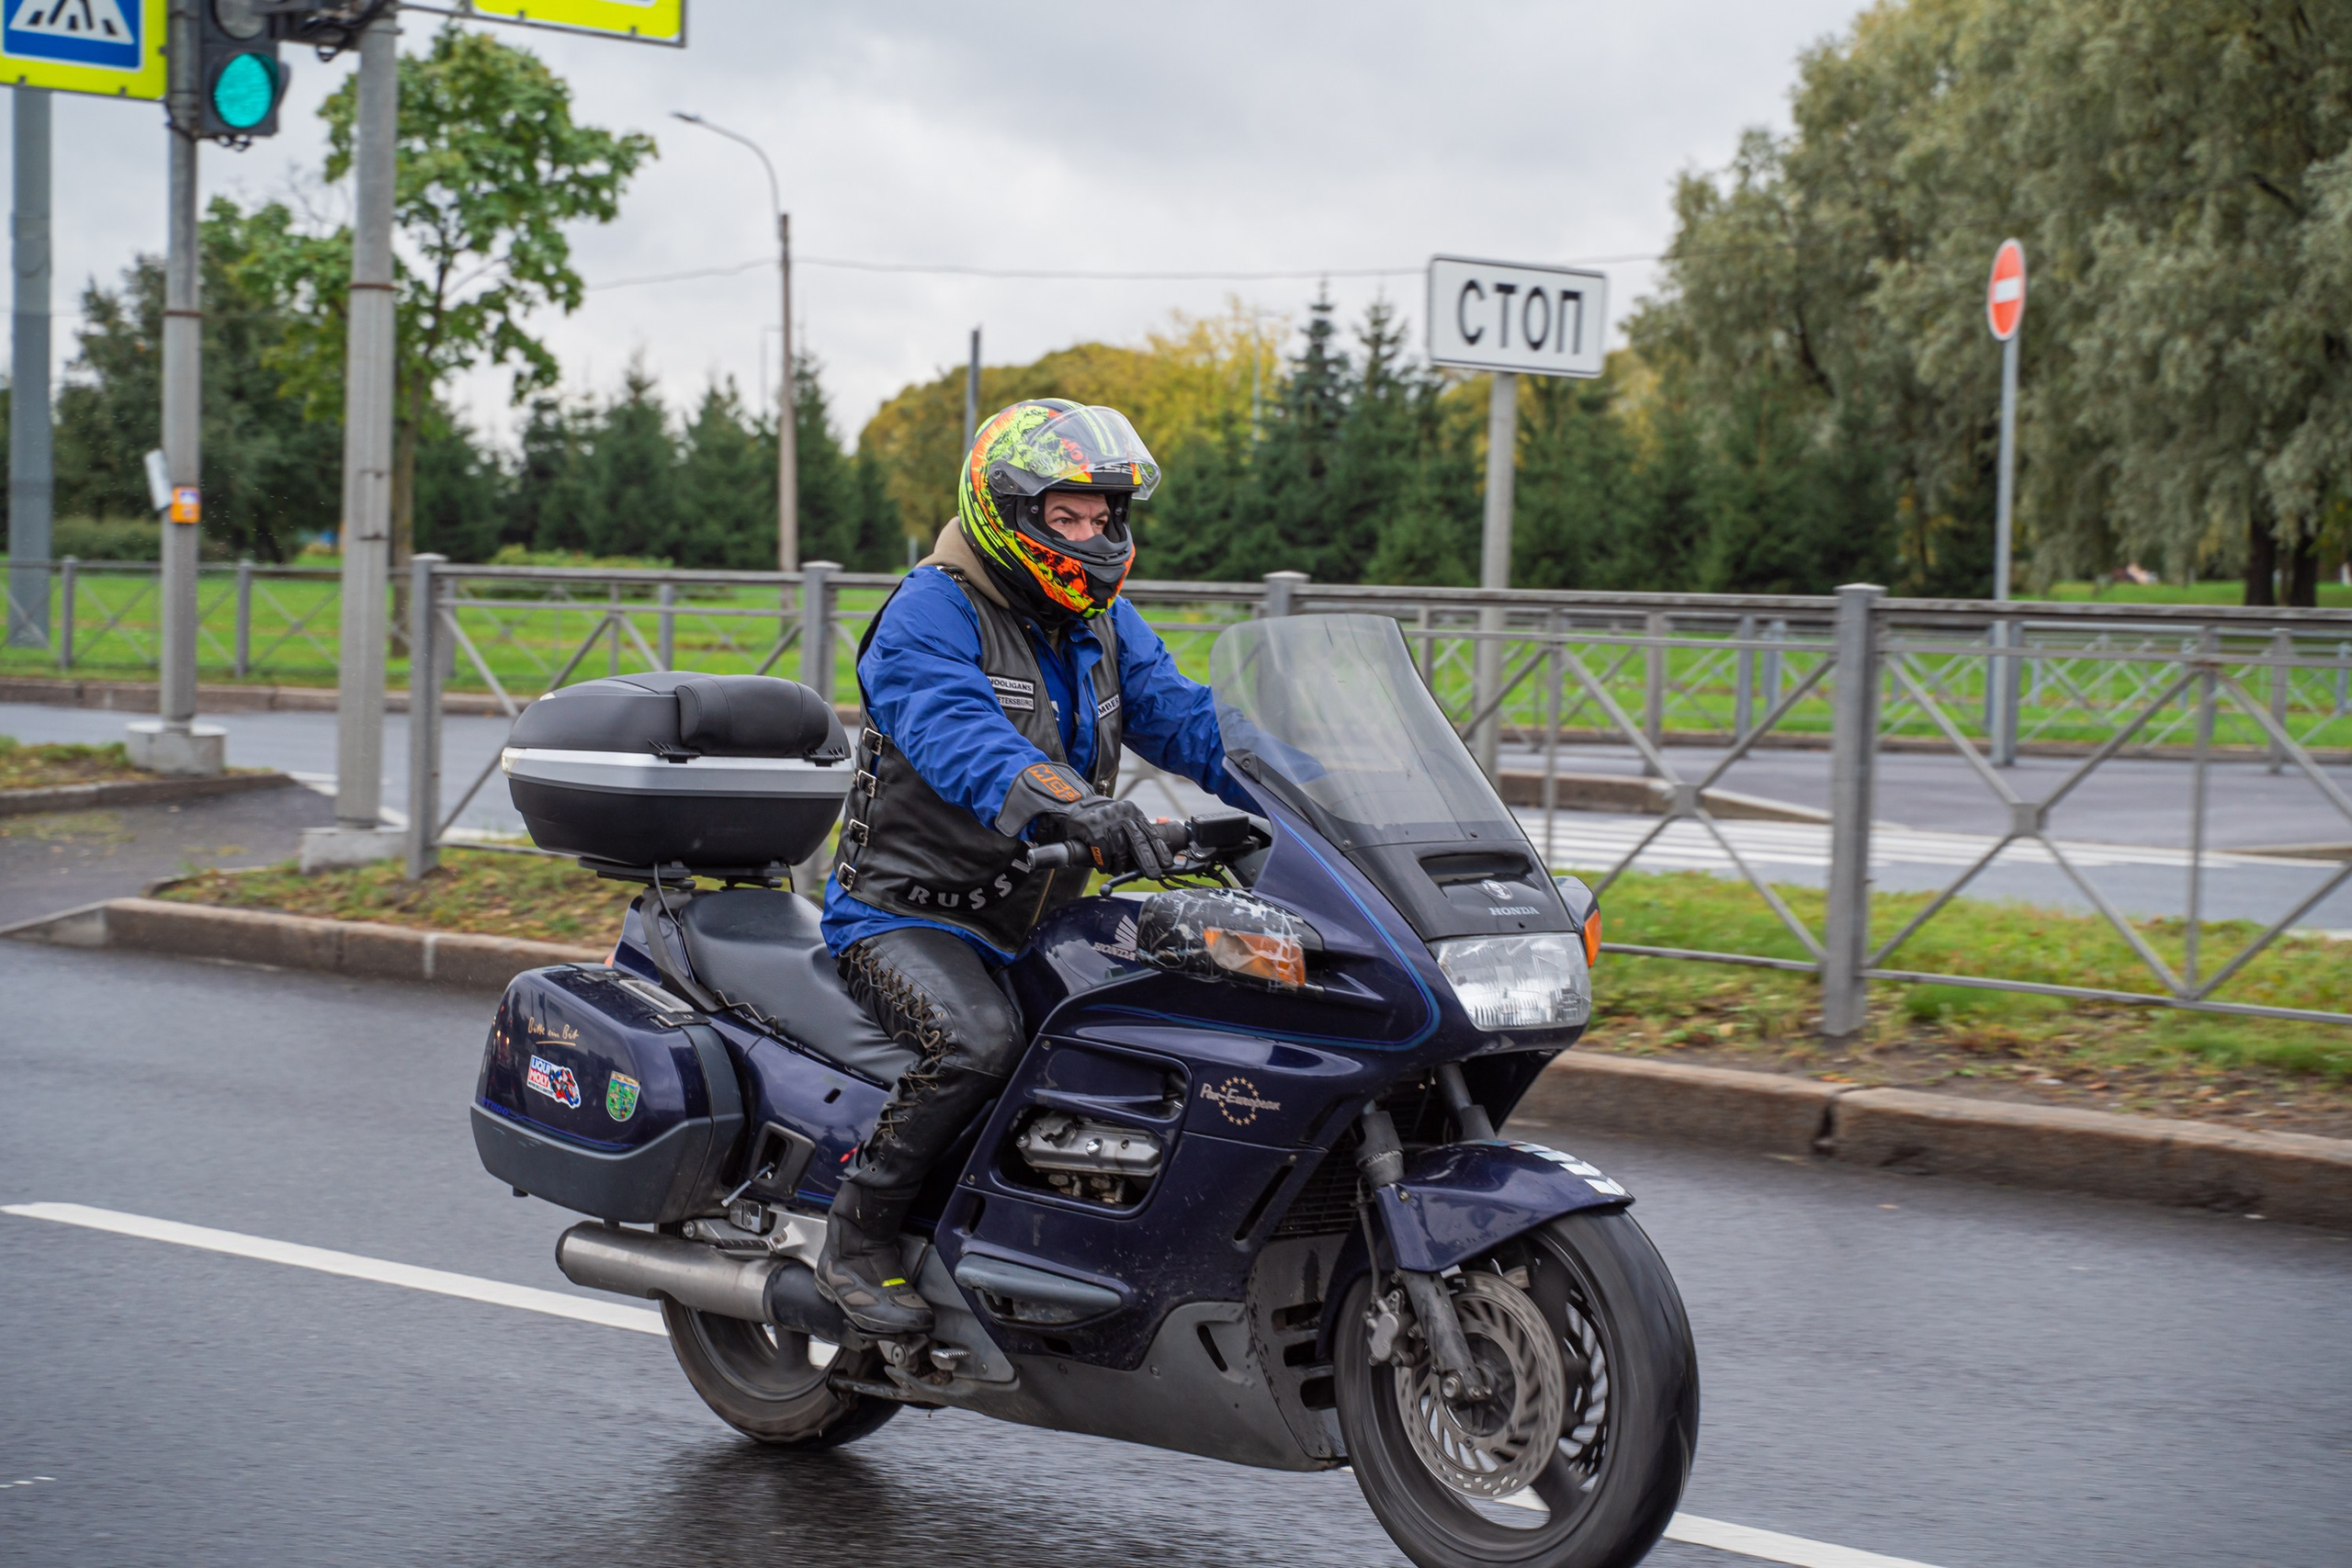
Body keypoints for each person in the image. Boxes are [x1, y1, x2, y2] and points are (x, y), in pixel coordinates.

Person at [815, 400, 1253, 1334]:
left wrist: (1314, 779)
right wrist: (1066, 801)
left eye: (1103, 519)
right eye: (1068, 518)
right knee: (976, 1043)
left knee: (1180, 1018)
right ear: (1006, 511)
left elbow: (1187, 720)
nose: (1093, 539)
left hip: (1039, 917)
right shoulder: (930, 608)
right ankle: (858, 1237)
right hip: (907, 914)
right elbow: (958, 734)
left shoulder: (1103, 624)